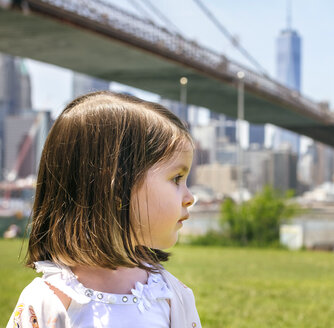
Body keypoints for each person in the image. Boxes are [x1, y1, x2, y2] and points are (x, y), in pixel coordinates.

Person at [6, 91, 202, 328]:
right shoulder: (47, 301)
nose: (190, 197)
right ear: (118, 186)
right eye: (176, 178)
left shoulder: (173, 298)